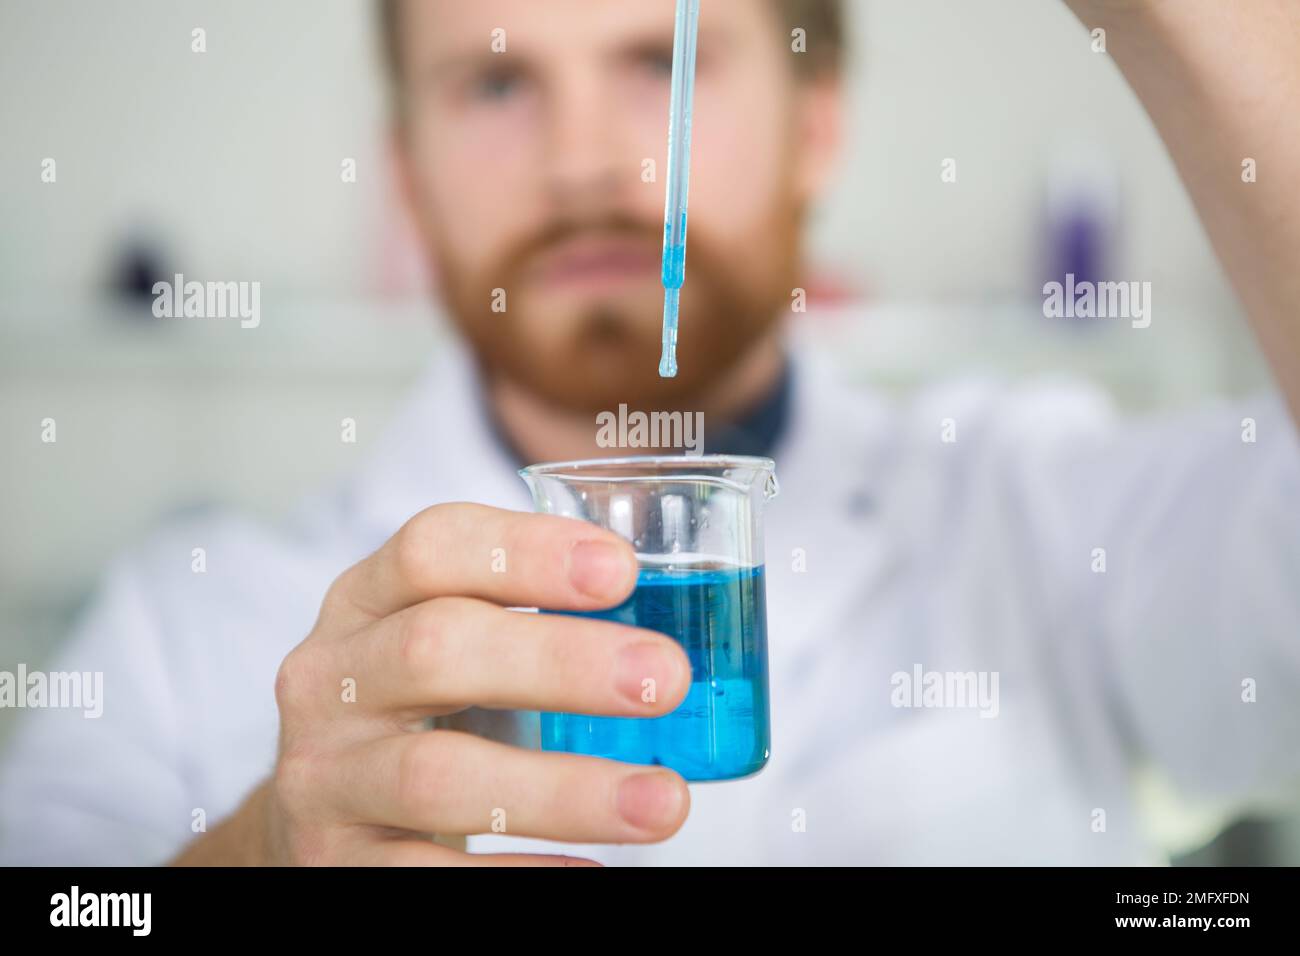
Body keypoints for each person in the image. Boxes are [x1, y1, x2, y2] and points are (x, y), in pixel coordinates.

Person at [1, 0, 1298, 866]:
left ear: (819, 128)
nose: (585, 159)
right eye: (498, 79)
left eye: (655, 62)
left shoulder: (1046, 506)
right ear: (406, 177)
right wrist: (259, 855)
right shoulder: (193, 613)